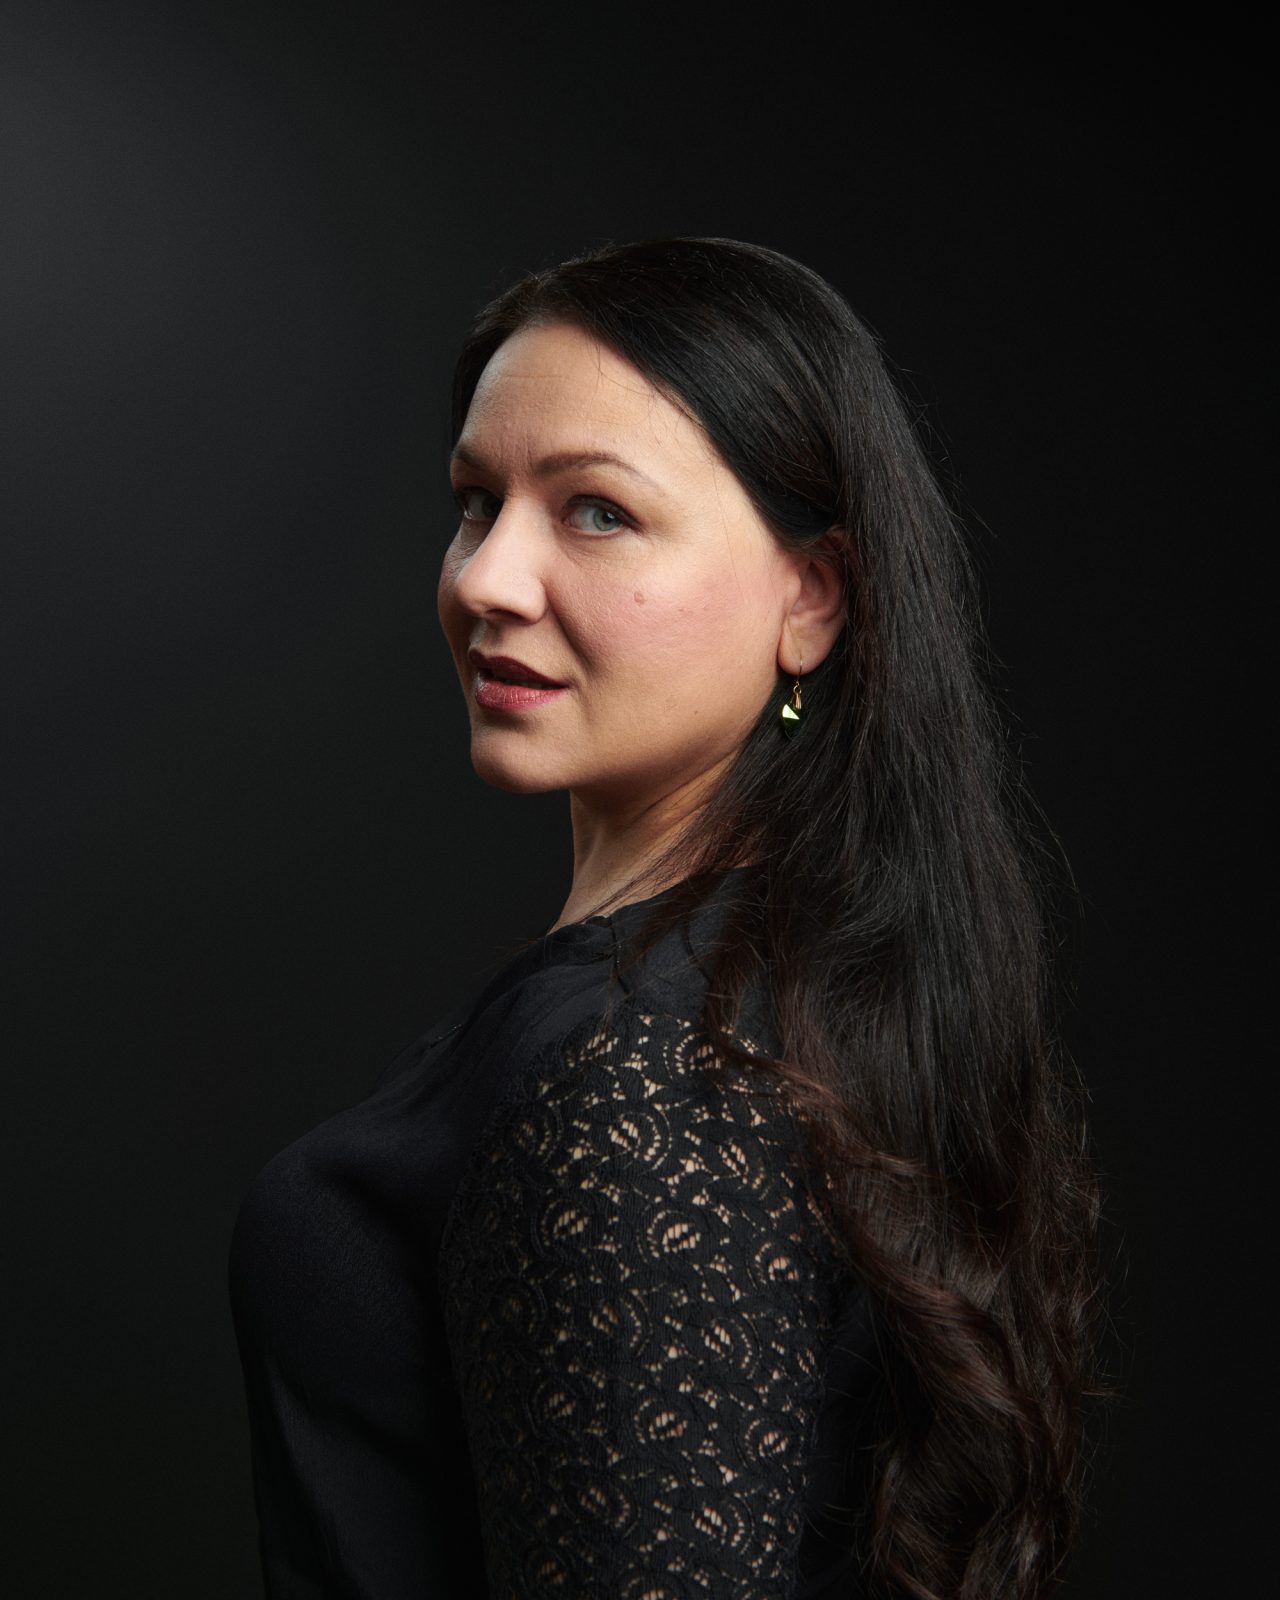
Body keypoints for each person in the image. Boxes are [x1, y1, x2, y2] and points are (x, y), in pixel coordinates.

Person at [229, 236, 1103, 1599]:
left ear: (811, 597)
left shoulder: (644, 1083)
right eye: (476, 503)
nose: (486, 579)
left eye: (596, 512)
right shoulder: (737, 1017)